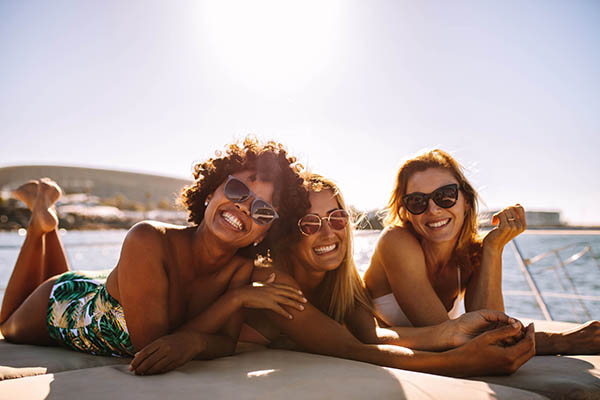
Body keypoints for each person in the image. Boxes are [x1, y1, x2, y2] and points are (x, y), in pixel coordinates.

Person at [0, 138, 309, 375]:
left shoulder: (239, 269)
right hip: (66, 303)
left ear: (266, 232)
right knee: (6, 326)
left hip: (116, 285)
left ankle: (46, 219)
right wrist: (234, 300)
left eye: (263, 210)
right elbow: (153, 349)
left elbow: (225, 343)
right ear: (212, 191)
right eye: (238, 190)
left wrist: (205, 333)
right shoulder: (147, 238)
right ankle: (40, 223)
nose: (244, 207)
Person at [242, 173, 536, 377]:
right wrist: (460, 361)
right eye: (309, 223)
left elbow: (372, 336)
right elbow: (350, 348)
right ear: (285, 236)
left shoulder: (342, 281)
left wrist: (453, 331)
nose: (328, 232)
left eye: (337, 217)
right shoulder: (272, 279)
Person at [363, 148, 600, 355]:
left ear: (466, 200)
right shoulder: (396, 242)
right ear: (406, 211)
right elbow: (449, 336)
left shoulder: (471, 254)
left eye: (445, 196)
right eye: (417, 201)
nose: (433, 209)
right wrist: (561, 342)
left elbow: (492, 331)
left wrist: (492, 248)